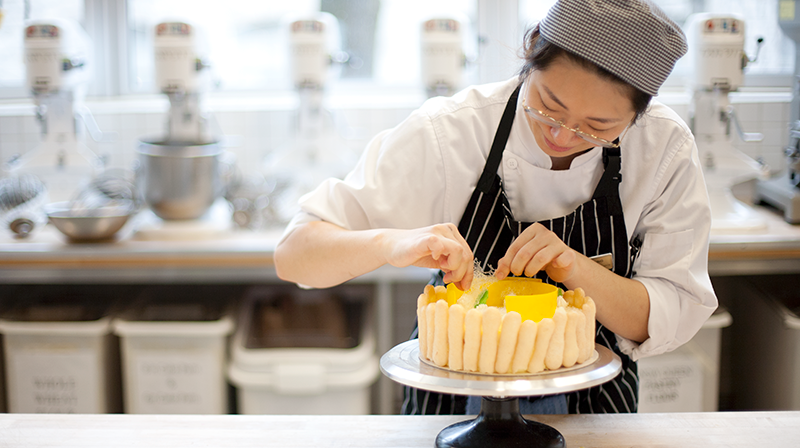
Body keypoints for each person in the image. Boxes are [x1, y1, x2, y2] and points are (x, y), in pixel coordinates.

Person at [275, 0, 718, 415]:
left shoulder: (664, 148)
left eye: (596, 127)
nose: (563, 136)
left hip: (593, 410)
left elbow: (671, 313)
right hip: (447, 406)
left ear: (639, 114)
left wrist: (575, 268)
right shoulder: (451, 132)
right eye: (549, 106)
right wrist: (391, 243)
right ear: (530, 53)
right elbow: (295, 254)